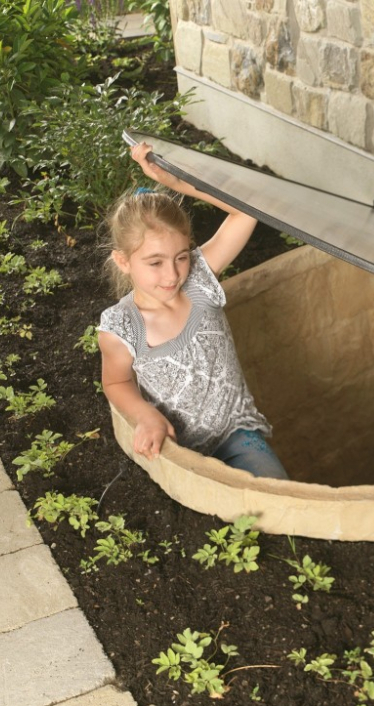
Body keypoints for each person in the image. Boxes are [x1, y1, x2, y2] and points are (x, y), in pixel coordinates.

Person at [97, 142, 289, 480]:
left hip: (236, 433)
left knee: (276, 499)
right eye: (154, 262)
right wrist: (146, 415)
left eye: (181, 256)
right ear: (123, 261)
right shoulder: (121, 326)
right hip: (176, 445)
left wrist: (175, 182)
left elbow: (246, 211)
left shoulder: (200, 279)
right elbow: (116, 380)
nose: (172, 274)